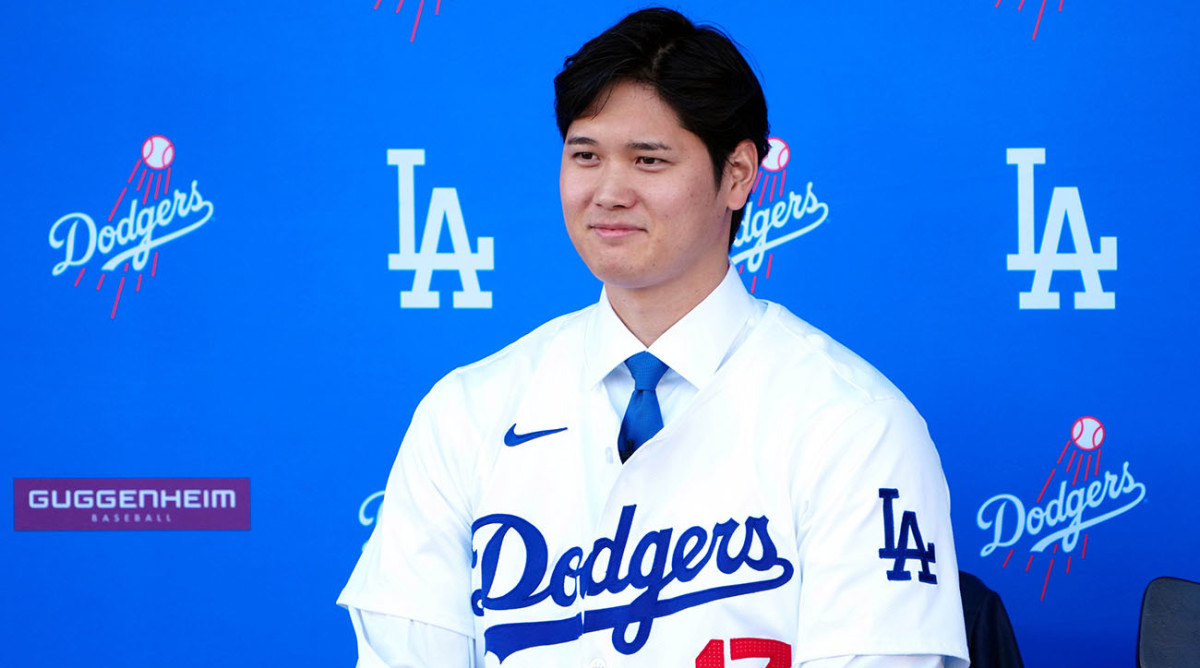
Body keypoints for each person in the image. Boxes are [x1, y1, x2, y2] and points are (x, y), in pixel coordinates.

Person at [339, 7, 969, 667]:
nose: (609, 192)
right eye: (585, 156)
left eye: (648, 160)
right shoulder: (467, 412)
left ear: (738, 174)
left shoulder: (853, 424)